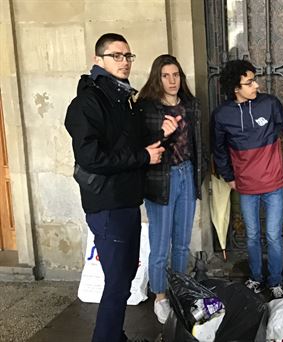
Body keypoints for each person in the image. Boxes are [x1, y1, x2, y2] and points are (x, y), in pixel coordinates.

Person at [65, 33, 165, 342]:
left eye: (127, 56)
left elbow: (125, 142)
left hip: (124, 200)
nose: (124, 62)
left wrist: (159, 135)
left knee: (121, 279)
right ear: (99, 60)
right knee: (119, 282)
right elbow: (90, 157)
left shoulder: (121, 98)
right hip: (108, 204)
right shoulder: (88, 102)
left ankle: (113, 335)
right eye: (116, 56)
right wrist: (142, 156)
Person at [212, 60, 283, 299]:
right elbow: (218, 150)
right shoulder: (222, 115)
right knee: (252, 235)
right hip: (246, 186)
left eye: (254, 80)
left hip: (273, 183)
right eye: (249, 82)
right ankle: (255, 277)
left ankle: (275, 281)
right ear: (235, 88)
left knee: (273, 235)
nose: (256, 85)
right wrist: (229, 177)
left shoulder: (269, 104)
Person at [136, 54, 207, 324]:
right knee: (160, 244)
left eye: (175, 74)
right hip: (160, 180)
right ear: (157, 77)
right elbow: (140, 146)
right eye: (166, 75)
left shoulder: (190, 105)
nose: (172, 80)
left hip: (186, 174)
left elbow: (197, 144)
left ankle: (179, 291)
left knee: (182, 242)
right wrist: (161, 134)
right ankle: (161, 297)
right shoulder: (147, 108)